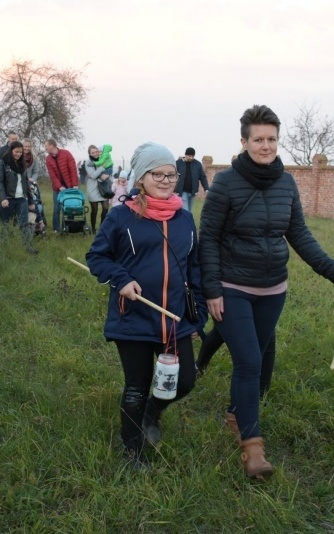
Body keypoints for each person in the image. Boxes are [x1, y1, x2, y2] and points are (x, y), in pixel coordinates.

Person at [199, 104, 334, 480]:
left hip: (272, 288)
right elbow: (209, 239)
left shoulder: (287, 183)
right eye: (259, 139)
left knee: (262, 359)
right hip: (232, 286)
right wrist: (212, 289)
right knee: (248, 361)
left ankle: (236, 413)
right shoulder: (226, 184)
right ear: (244, 141)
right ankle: (253, 450)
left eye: (272, 139)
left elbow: (299, 235)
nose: (266, 146)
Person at [86, 142, 207, 470]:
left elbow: (193, 268)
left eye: (172, 174)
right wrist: (121, 279)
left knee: (183, 383)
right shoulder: (121, 217)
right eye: (159, 174)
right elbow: (96, 256)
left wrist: (198, 316)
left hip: (175, 320)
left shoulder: (184, 219)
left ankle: (154, 413)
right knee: (136, 387)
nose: (167, 180)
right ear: (141, 177)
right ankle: (132, 450)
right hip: (135, 318)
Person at [0, 140, 38, 254]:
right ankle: (3, 248)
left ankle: (28, 248)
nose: (18, 154)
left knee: (24, 224)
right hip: (8, 199)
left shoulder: (22, 163)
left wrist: (31, 201)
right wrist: (3, 198)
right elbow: (0, 182)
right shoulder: (3, 162)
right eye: (16, 152)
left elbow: (26, 183)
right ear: (11, 151)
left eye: (20, 152)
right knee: (5, 224)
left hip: (21, 199)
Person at [44, 139, 79, 234]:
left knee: (69, 207)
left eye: (46, 146)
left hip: (70, 187)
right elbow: (52, 175)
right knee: (56, 208)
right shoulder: (48, 159)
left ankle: (68, 227)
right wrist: (59, 186)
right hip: (57, 188)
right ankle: (56, 228)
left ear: (52, 145)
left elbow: (72, 169)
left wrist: (75, 184)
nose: (45, 148)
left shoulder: (66, 153)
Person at [85, 144, 112, 230]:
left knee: (105, 208)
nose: (95, 154)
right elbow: (93, 175)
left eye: (96, 151)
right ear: (89, 154)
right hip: (93, 188)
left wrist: (107, 175)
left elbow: (109, 169)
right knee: (94, 210)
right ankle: (93, 228)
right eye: (93, 153)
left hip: (104, 188)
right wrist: (102, 167)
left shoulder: (103, 159)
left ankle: (102, 227)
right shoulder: (88, 163)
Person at [175, 147, 209, 212]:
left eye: (192, 156)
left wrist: (206, 189)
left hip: (193, 192)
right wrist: (174, 190)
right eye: (189, 156)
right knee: (186, 211)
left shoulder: (197, 164)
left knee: (189, 211)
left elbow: (202, 177)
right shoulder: (178, 163)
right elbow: (172, 176)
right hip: (182, 192)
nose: (191, 158)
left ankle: (185, 221)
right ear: (185, 155)